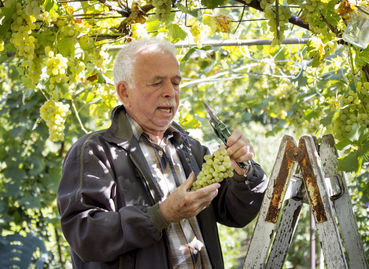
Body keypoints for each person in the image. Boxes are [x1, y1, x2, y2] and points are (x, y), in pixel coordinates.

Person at [57, 37, 268, 269]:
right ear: (124, 92)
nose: (170, 92)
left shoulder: (190, 148)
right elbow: (84, 234)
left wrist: (244, 172)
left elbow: (235, 213)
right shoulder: (95, 151)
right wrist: (160, 216)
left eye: (176, 83)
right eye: (157, 83)